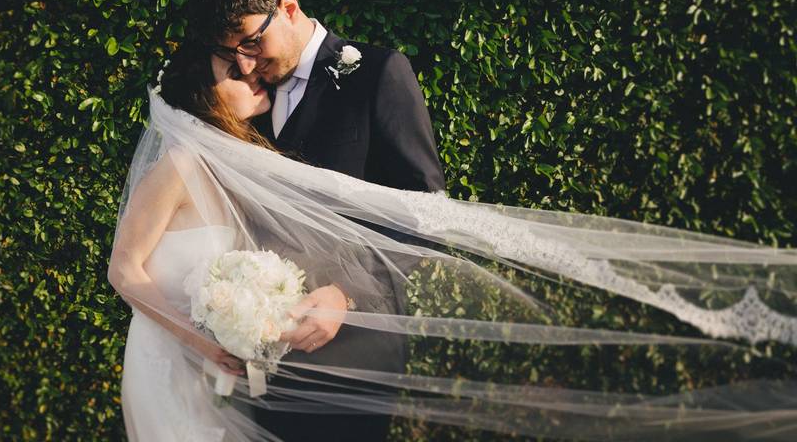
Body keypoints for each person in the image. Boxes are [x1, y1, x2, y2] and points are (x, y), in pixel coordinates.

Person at [108, 40, 797, 442]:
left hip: (226, 364)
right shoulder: (180, 164)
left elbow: (413, 205)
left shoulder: (238, 160)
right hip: (181, 361)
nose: (251, 73)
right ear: (205, 101)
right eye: (234, 73)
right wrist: (213, 340)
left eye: (247, 58)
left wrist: (253, 320)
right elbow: (124, 269)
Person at [183, 0, 447, 440]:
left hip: (353, 351)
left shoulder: (378, 75)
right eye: (231, 52)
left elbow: (425, 212)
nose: (243, 65)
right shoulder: (242, 104)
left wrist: (347, 295)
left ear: (287, 7)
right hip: (259, 355)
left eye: (250, 42)